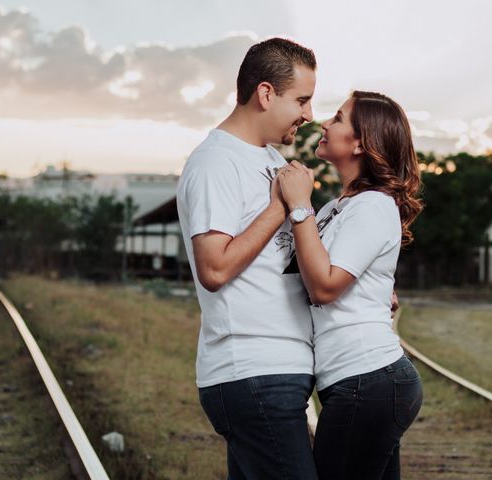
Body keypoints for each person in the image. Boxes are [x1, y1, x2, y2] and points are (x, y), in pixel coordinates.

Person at [176, 38, 319, 480]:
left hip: (279, 373)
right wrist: (281, 205)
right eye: (302, 100)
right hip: (253, 374)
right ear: (265, 94)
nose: (309, 115)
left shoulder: (272, 159)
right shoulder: (215, 163)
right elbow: (214, 268)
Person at [277, 90, 424, 480]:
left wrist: (297, 206)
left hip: (368, 380)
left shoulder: (373, 205)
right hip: (358, 383)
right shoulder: (335, 208)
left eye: (338, 118)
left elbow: (324, 287)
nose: (324, 123)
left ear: (361, 142)